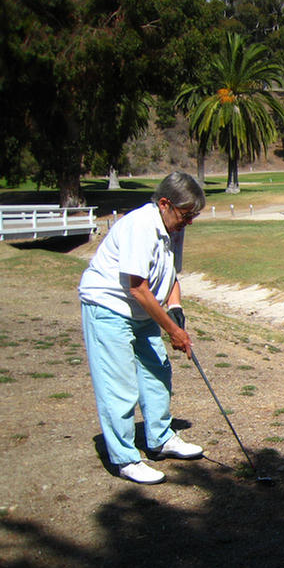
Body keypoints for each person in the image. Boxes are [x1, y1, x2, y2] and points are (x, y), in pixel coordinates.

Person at [79, 172, 207, 484]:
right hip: (109, 306)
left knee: (157, 370)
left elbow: (172, 274)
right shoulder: (140, 226)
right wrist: (173, 331)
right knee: (119, 384)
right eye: (186, 214)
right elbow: (137, 287)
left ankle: (160, 438)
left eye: (194, 216)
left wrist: (175, 309)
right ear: (165, 203)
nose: (188, 222)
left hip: (141, 311)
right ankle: (125, 458)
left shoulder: (173, 226)